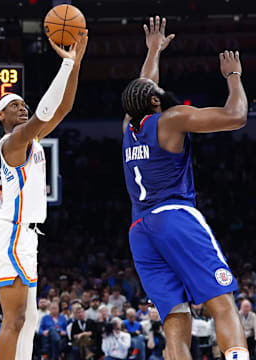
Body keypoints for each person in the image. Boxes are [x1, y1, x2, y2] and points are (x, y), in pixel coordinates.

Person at [121, 15, 248, 360]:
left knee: (175, 322)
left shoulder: (128, 128)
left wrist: (153, 52)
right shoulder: (171, 119)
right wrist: (233, 76)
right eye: (158, 94)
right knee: (222, 302)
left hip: (139, 229)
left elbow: (143, 84)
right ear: (155, 103)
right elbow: (236, 116)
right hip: (174, 216)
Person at [0, 31, 88, 360]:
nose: (22, 108)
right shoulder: (12, 142)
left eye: (23, 104)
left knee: (30, 319)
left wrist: (76, 66)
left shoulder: (32, 140)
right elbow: (43, 114)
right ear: (0, 116)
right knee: (14, 318)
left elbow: (64, 107)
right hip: (13, 230)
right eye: (14, 105)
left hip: (25, 233)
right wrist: (65, 64)